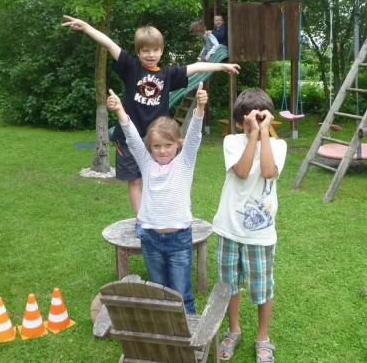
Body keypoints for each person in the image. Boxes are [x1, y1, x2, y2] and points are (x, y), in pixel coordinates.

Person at [61, 16, 239, 231]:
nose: (150, 55)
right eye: (145, 51)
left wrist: (222, 66)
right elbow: (109, 43)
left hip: (158, 140)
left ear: (161, 51)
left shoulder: (167, 74)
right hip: (129, 137)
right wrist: (86, 27)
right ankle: (141, 220)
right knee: (135, 180)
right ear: (138, 52)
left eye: (155, 50)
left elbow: (196, 66)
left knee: (165, 177)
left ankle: (171, 210)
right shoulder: (131, 68)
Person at [106, 82, 208, 315]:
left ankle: (187, 333)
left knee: (182, 293)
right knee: (158, 292)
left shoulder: (185, 162)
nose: (162, 150)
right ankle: (163, 331)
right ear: (149, 147)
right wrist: (120, 110)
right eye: (157, 146)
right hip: (150, 239)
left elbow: (194, 136)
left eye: (168, 145)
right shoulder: (146, 163)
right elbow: (132, 138)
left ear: (178, 145)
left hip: (179, 240)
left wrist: (200, 108)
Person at [212, 89, 287, 363]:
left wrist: (263, 134)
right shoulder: (232, 141)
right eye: (249, 121)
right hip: (229, 229)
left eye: (260, 119)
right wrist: (253, 135)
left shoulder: (278, 146)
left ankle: (262, 337)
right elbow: (242, 172)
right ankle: (233, 330)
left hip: (260, 235)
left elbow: (268, 172)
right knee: (229, 285)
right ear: (239, 121)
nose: (254, 124)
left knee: (262, 287)